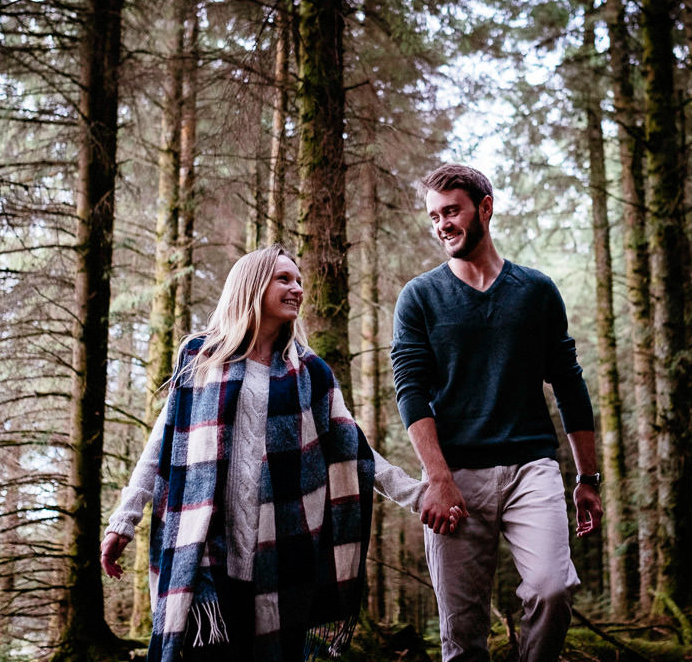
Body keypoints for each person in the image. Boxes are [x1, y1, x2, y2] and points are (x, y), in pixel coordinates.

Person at [100, 245, 431, 662]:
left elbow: (357, 452)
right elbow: (162, 444)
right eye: (284, 279)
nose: (297, 289)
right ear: (253, 285)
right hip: (205, 559)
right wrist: (124, 519)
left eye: (300, 282)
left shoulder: (311, 373)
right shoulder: (202, 359)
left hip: (285, 560)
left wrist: (420, 496)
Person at [390, 163, 602, 662]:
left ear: (484, 208)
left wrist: (587, 477)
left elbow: (569, 383)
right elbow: (411, 389)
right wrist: (437, 479)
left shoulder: (536, 291)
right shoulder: (420, 297)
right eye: (434, 216)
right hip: (456, 476)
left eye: (452, 210)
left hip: (533, 468)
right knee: (462, 632)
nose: (442, 223)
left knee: (552, 590)